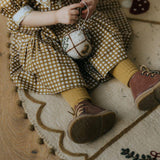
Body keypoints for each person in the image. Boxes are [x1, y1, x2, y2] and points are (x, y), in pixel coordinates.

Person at [0, 0, 160, 144]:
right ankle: (83, 107)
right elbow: (21, 16)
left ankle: (137, 80)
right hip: (39, 28)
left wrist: (92, 2)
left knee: (101, 33)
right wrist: (56, 16)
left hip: (75, 11)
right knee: (47, 60)